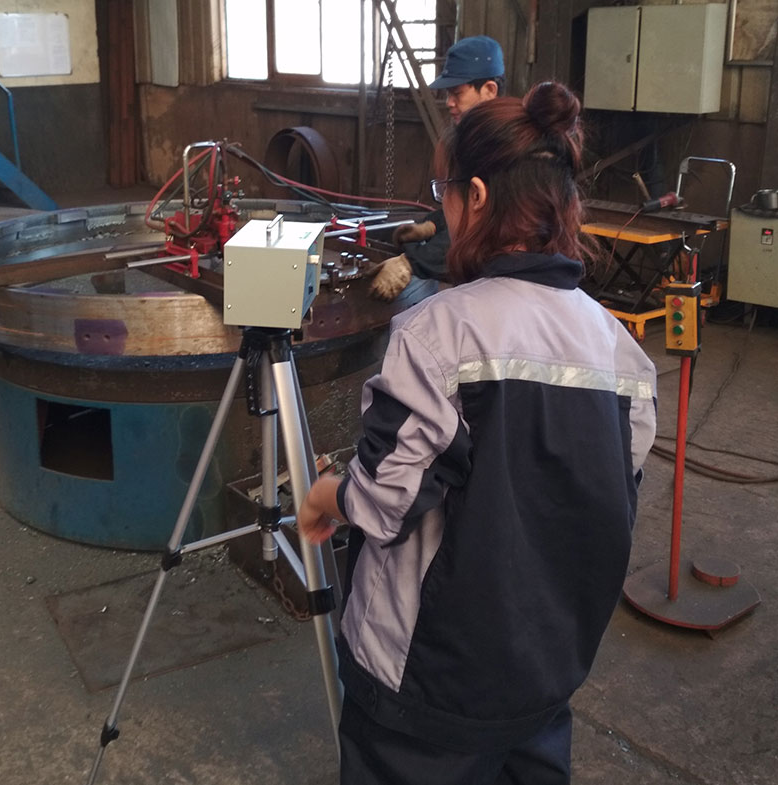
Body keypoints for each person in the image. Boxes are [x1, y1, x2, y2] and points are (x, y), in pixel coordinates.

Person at [299, 81, 657, 785]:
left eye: (445, 192)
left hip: (424, 694)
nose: (443, 208)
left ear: (480, 196)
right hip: (544, 681)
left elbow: (386, 500)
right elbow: (602, 508)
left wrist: (325, 495)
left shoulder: (437, 336)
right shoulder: (623, 355)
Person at [370, 35, 505, 301]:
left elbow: (480, 230)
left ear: (489, 90)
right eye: (448, 94)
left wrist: (412, 262)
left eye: (457, 93)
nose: (449, 102)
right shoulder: (477, 140)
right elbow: (467, 209)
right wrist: (431, 225)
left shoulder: (504, 149)